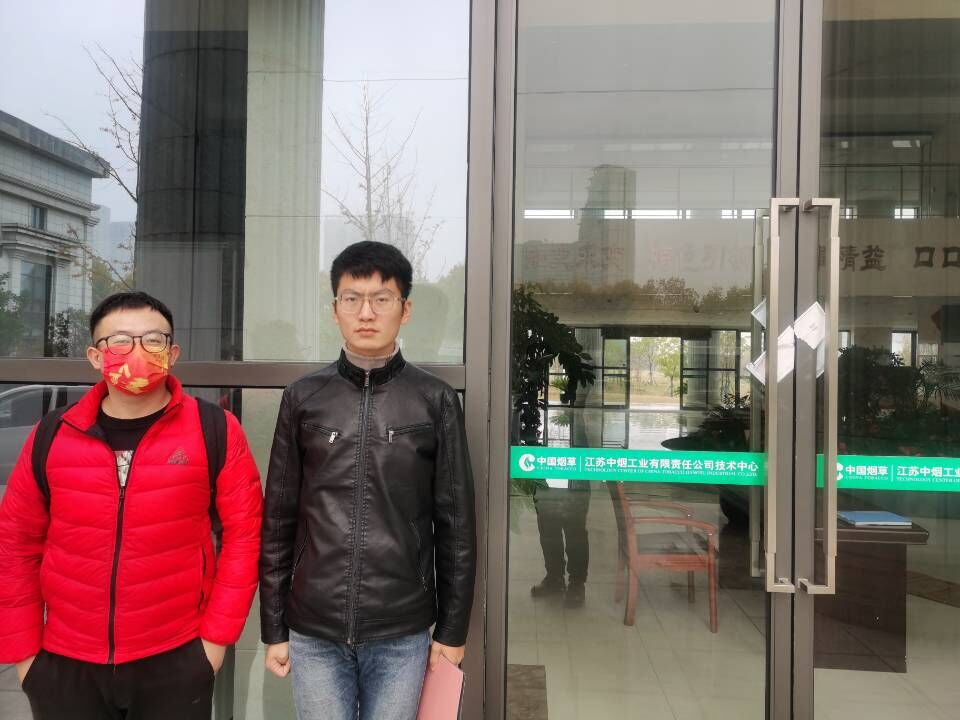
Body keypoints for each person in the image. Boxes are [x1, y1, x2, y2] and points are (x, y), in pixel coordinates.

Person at [0, 291, 263, 719]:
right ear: (95, 356)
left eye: (153, 341)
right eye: (120, 341)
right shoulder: (53, 433)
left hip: (176, 657)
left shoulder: (214, 428)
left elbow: (245, 536)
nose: (138, 353)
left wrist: (214, 643)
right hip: (64, 662)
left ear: (172, 353)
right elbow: (15, 543)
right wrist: (25, 656)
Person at [260, 241, 476, 720]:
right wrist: (273, 626)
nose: (366, 312)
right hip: (313, 625)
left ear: (405, 309)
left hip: (402, 627)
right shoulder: (303, 398)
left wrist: (452, 630)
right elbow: (278, 520)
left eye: (382, 299)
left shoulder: (435, 400)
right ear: (334, 309)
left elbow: (456, 528)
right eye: (352, 298)